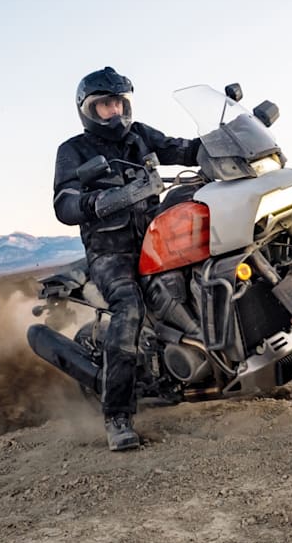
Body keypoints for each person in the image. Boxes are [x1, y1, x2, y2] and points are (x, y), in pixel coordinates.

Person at [52, 67, 201, 451]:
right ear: (88, 109)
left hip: (156, 238)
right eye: (104, 105)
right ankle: (117, 415)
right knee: (129, 307)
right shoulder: (73, 151)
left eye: (118, 102)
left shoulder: (140, 136)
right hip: (110, 252)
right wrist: (101, 201)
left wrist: (225, 141)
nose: (114, 111)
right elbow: (64, 203)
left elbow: (183, 148)